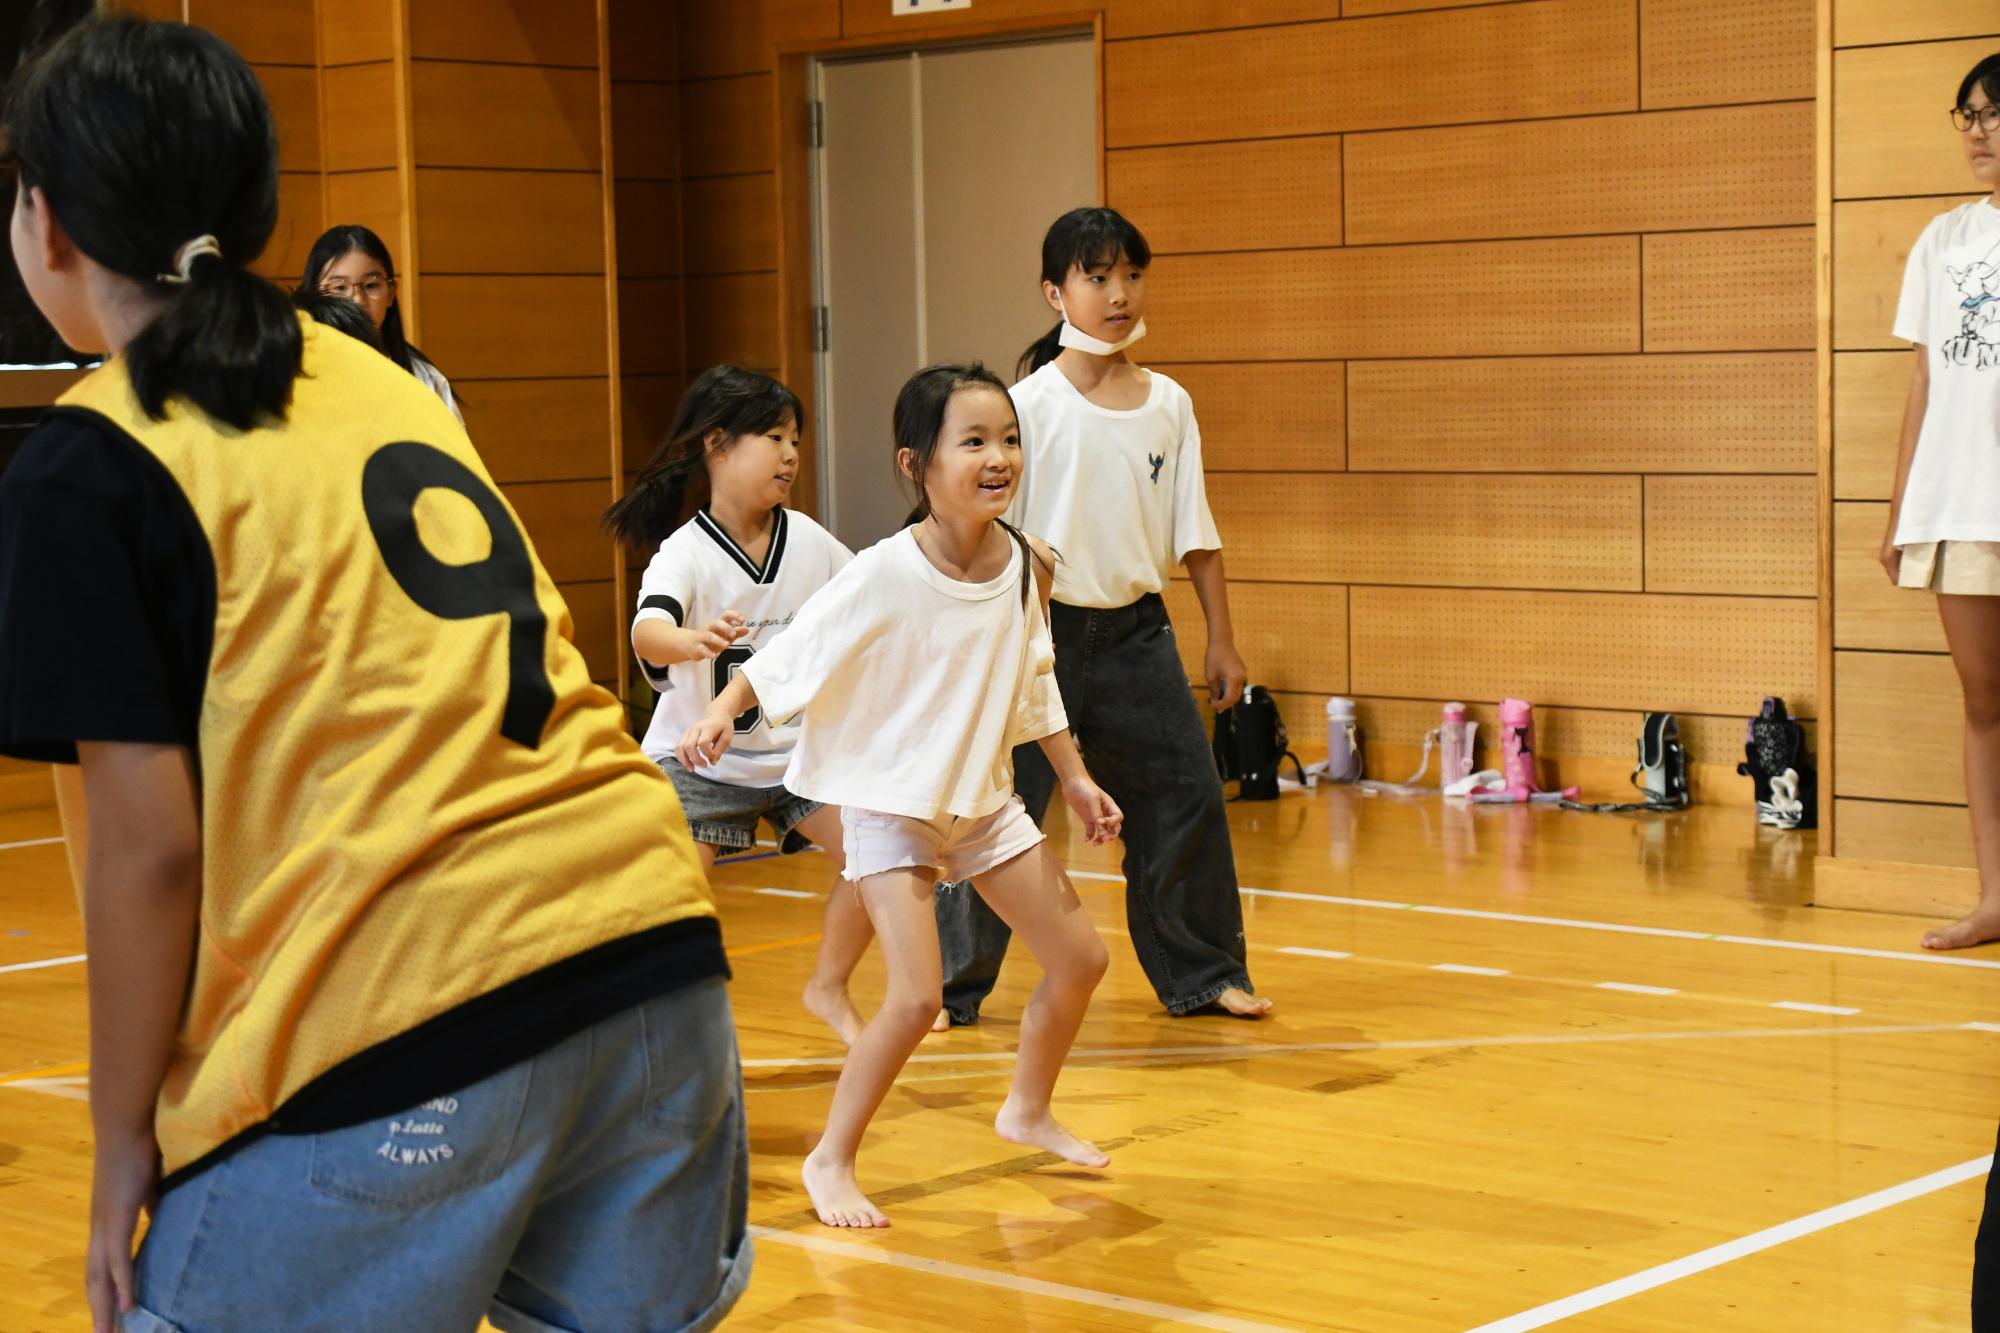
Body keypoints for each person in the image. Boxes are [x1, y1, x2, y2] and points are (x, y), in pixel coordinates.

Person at [0, 17, 747, 1331]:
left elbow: (145, 851)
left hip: (407, 1003)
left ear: (48, 224)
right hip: (653, 958)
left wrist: (124, 1139)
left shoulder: (95, 452)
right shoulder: (382, 379)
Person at [678, 362, 1119, 1228]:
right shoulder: (884, 571)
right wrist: (727, 709)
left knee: (1082, 960)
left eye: (1009, 439)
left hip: (984, 804)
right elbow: (793, 652)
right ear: (916, 463)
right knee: (917, 997)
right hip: (890, 804)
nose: (999, 457)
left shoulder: (1028, 564)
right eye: (975, 441)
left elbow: (1035, 682)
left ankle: (1026, 1108)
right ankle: (829, 1158)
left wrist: (1075, 775)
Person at [929, 206, 1272, 1023]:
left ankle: (1204, 972)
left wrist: (1222, 637)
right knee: (989, 809)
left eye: (1130, 275)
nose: (1118, 293)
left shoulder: (1170, 404)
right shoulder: (1022, 406)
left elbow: (1196, 530)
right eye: (1097, 276)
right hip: (1030, 635)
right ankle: (949, 988)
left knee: (1186, 793)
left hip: (1136, 635)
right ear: (1056, 292)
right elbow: (980, 523)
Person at [605, 363, 876, 1044]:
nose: (790, 453)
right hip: (698, 763)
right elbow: (647, 631)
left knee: (879, 853)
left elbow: (872, 604)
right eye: (772, 436)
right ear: (717, 444)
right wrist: (687, 638)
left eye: (795, 438)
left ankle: (830, 986)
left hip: (792, 761)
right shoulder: (686, 553)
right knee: (679, 906)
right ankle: (673, 1032)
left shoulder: (812, 543)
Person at [1880, 52, 2000, 952]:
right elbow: (1927, 378)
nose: (1977, 130)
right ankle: (1997, 896)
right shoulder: (1944, 240)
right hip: (1962, 504)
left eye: (1994, 113)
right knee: (1984, 702)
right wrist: (1899, 511)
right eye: (1966, 114)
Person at [299, 222, 461, 422]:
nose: (357, 299)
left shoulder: (425, 379)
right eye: (340, 287)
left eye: (371, 285)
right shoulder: (296, 376)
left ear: (391, 293)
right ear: (313, 294)